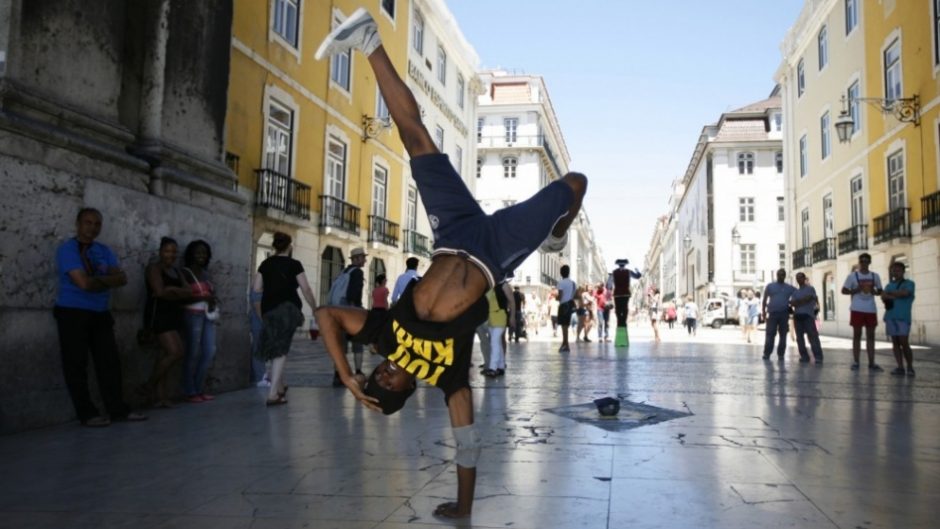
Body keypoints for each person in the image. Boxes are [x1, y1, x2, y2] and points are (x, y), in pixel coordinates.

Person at [312, 10, 586, 518]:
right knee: (574, 183)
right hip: (493, 253)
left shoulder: (383, 335)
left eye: (379, 376)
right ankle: (556, 231)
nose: (387, 372)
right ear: (409, 389)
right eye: (388, 384)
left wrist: (348, 374)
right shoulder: (449, 377)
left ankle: (368, 39)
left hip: (451, 232)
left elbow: (328, 317)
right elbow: (467, 444)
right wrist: (463, 507)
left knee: (415, 138)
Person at [54, 208, 147, 427]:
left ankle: (118, 410)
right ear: (78, 224)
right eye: (88, 223)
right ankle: (86, 413)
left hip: (100, 313)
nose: (92, 228)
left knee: (110, 363)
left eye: (97, 224)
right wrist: (106, 279)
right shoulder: (67, 249)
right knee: (76, 364)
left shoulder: (103, 250)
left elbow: (122, 278)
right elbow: (83, 284)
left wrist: (98, 280)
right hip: (72, 312)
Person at [252, 232, 318, 405]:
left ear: (274, 246)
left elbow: (256, 288)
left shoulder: (265, 263)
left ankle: (280, 386)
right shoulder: (294, 264)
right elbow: (306, 289)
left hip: (268, 309)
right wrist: (314, 308)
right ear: (289, 246)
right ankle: (273, 394)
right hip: (288, 310)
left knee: (276, 346)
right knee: (281, 349)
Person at [141, 237, 190, 408]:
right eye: (167, 251)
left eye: (174, 251)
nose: (171, 254)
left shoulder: (178, 272)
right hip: (159, 316)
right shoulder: (154, 269)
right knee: (176, 352)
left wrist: (172, 290)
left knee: (165, 355)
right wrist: (176, 292)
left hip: (173, 315)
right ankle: (148, 386)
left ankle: (160, 396)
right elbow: (160, 292)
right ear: (161, 252)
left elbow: (189, 292)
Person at [180, 239, 219, 403]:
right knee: (192, 353)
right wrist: (204, 297)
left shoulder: (206, 274)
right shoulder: (184, 272)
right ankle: (190, 391)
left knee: (210, 351)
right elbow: (181, 297)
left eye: (204, 253)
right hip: (192, 315)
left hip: (207, 316)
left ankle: (198, 387)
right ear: (191, 254)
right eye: (198, 252)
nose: (201, 256)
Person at [331, 247, 368, 386]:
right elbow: (354, 295)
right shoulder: (357, 272)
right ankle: (358, 371)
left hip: (338, 313)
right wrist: (357, 311)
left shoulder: (344, 272)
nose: (365, 260)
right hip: (351, 313)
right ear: (357, 259)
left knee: (341, 347)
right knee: (358, 344)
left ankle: (337, 375)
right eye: (363, 257)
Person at [842, 253, 884, 371]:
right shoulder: (852, 276)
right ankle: (856, 362)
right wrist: (856, 290)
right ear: (859, 263)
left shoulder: (875, 276)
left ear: (869, 262)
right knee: (857, 335)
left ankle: (871, 362)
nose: (864, 263)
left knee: (871, 336)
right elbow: (844, 290)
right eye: (862, 261)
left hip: (870, 309)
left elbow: (880, 291)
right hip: (857, 308)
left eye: (866, 261)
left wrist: (873, 291)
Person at [882, 262, 915, 376]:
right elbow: (883, 296)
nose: (895, 272)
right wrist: (896, 294)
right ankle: (900, 367)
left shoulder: (909, 283)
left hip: (903, 317)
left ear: (903, 271)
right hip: (890, 316)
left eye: (898, 270)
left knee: (904, 342)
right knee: (895, 342)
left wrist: (891, 294)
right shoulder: (889, 285)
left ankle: (910, 367)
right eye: (893, 270)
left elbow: (905, 293)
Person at [761, 269, 796, 361]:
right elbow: (764, 299)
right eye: (779, 274)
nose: (781, 276)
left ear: (785, 276)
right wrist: (763, 312)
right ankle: (767, 353)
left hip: (784, 314)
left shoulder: (790, 288)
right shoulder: (770, 286)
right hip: (772, 314)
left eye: (783, 275)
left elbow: (798, 295)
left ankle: (781, 354)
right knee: (770, 334)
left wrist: (791, 303)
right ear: (777, 275)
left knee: (783, 335)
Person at [789, 272, 823, 364]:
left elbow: (809, 299)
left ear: (804, 278)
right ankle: (804, 356)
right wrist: (802, 301)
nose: (798, 279)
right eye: (797, 278)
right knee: (799, 338)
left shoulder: (810, 289)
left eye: (800, 277)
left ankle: (818, 356)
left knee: (813, 337)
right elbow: (792, 303)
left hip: (808, 316)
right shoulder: (795, 291)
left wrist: (798, 302)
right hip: (798, 316)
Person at [483, 283, 514, 377]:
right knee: (497, 342)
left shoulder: (504, 286)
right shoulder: (488, 285)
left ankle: (493, 368)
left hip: (500, 315)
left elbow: (512, 301)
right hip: (490, 317)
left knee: (494, 342)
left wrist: (512, 317)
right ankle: (501, 366)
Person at [608, 259, 641, 345]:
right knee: (625, 310)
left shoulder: (613, 272)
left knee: (618, 312)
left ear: (618, 265)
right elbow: (638, 276)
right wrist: (637, 270)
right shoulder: (628, 272)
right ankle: (624, 325)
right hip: (626, 294)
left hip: (617, 295)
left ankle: (620, 325)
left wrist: (610, 288)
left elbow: (608, 285)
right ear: (625, 265)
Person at [556, 266, 577, 352]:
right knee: (566, 326)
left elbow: (560, 296)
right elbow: (574, 295)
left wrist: (556, 297)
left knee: (563, 326)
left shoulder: (561, 283)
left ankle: (566, 344)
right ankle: (565, 344)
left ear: (561, 273)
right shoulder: (573, 283)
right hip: (570, 305)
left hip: (563, 305)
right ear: (568, 272)